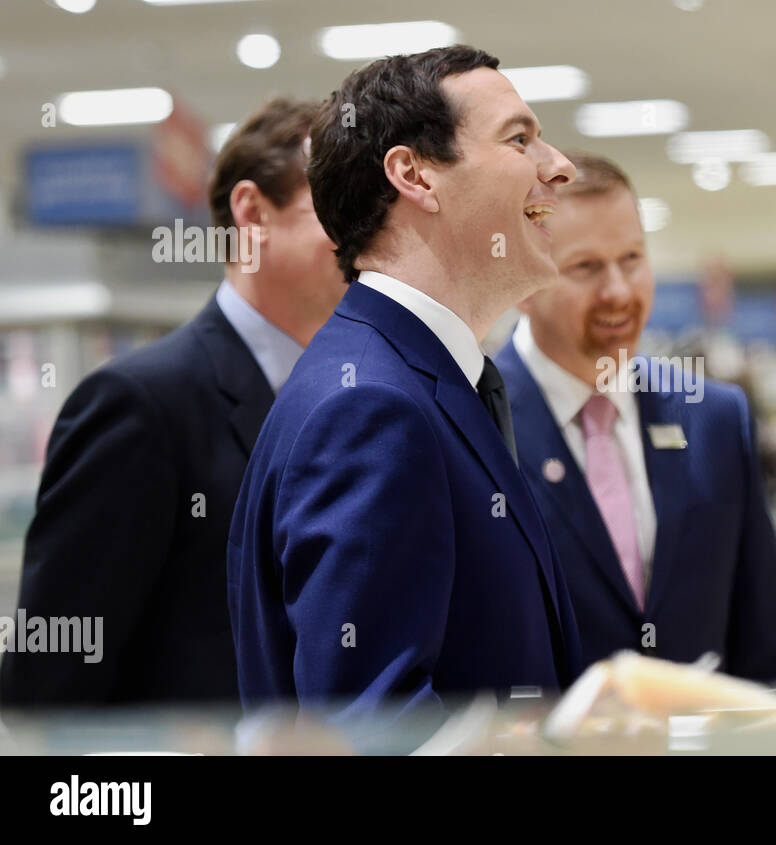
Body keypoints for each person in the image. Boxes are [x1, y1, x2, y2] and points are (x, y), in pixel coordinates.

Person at [227, 46, 582, 717]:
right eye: (520, 139)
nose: (559, 167)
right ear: (414, 175)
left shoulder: (419, 380)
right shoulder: (369, 407)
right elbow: (375, 726)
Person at [0, 97, 345, 707]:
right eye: (338, 209)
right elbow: (52, 675)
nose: (366, 236)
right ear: (252, 212)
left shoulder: (355, 398)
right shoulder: (141, 405)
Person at [495, 152, 776, 683]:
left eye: (632, 258)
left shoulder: (712, 419)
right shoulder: (471, 422)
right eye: (586, 267)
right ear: (524, 283)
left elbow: (771, 642)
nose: (618, 290)